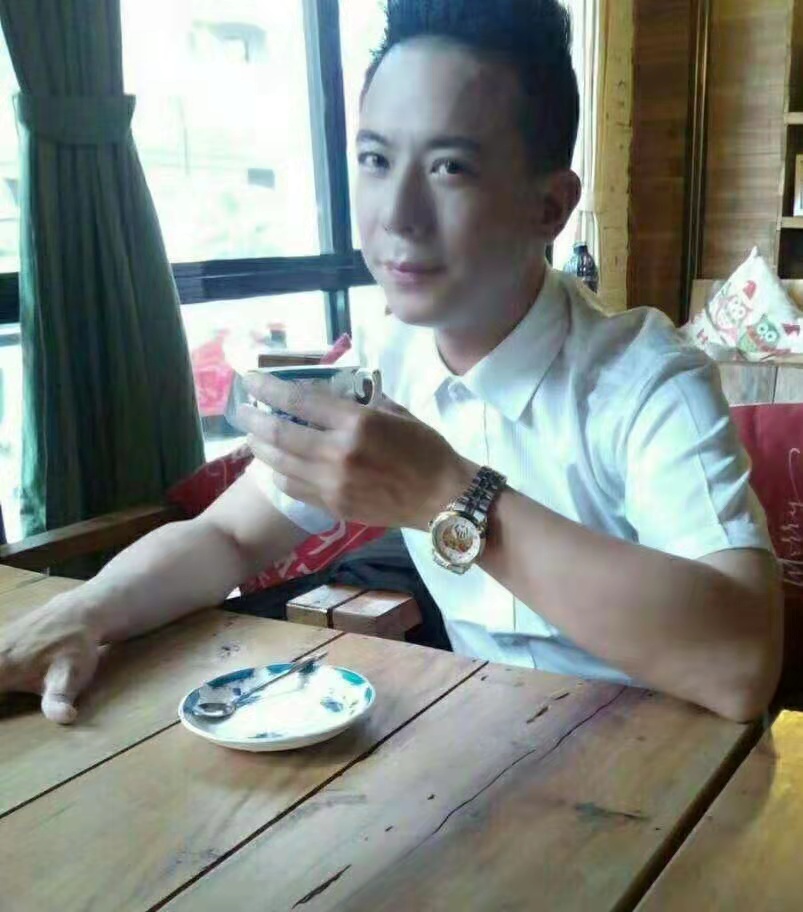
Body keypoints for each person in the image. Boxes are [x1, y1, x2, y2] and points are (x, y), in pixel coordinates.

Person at [0, 0, 782, 725]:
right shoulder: (386, 355)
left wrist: (448, 495)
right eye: (375, 159)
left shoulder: (647, 380)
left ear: (548, 207)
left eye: (449, 168)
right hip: (485, 748)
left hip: (672, 776)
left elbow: (741, 667)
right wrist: (84, 611)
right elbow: (228, 539)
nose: (395, 216)